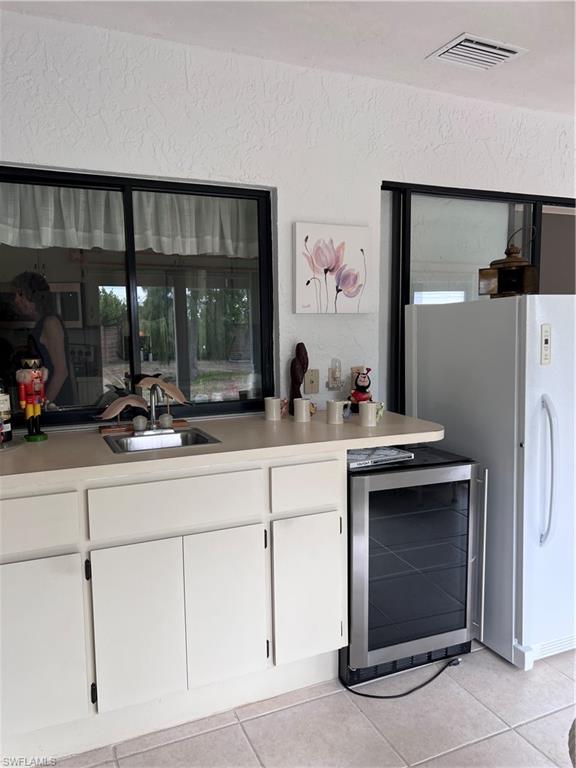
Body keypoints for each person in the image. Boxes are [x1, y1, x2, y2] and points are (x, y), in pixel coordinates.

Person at [11, 271, 76, 406]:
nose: (16, 300)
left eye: (21, 294)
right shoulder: (41, 323)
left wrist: (42, 407)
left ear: (35, 296)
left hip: (56, 404)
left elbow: (61, 372)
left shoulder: (50, 322)